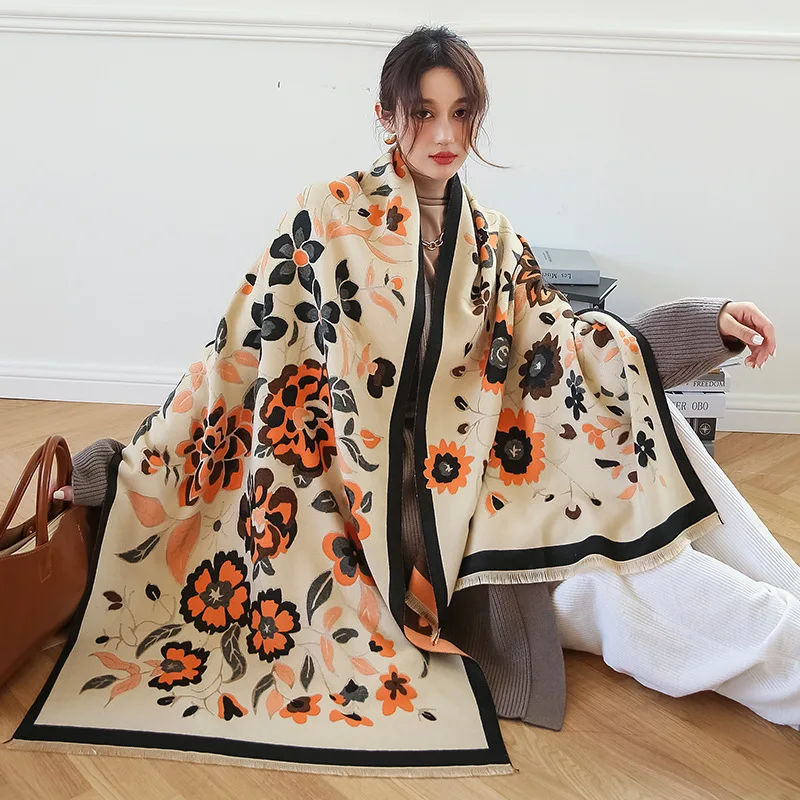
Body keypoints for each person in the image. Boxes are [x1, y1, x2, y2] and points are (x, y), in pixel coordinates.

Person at [52, 25, 797, 732]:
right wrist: (121, 472)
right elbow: (233, 366)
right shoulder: (326, 220)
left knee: (655, 427)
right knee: (661, 588)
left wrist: (710, 324)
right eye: (424, 113)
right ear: (385, 116)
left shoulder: (495, 239)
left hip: (512, 479)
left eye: (462, 113)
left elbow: (573, 352)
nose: (446, 135)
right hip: (417, 530)